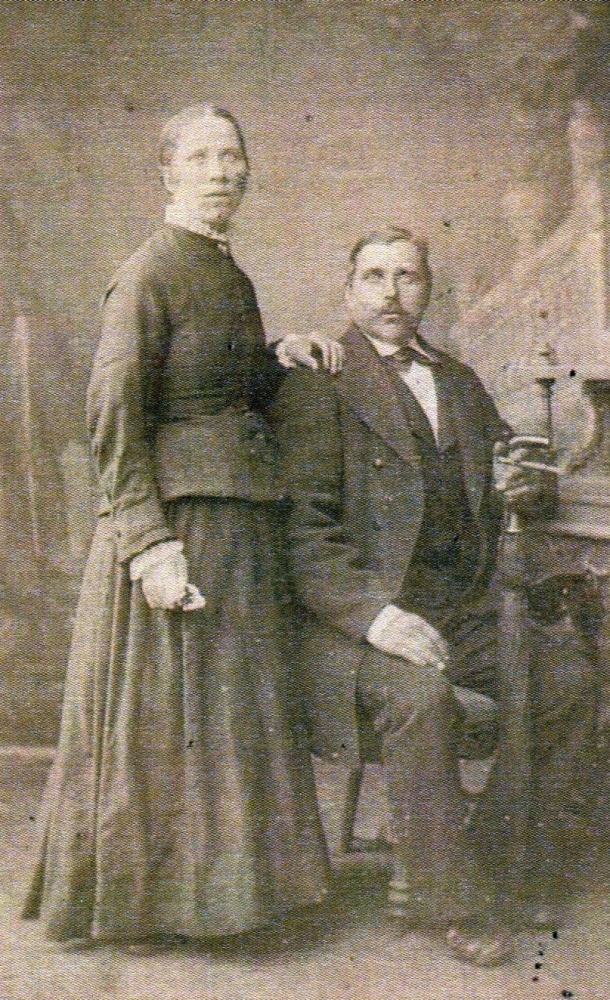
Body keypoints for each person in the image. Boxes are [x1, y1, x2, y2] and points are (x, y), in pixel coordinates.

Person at [23, 103, 338, 951]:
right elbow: (113, 412)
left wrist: (280, 357)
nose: (221, 171)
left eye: (231, 155)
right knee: (174, 718)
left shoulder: (227, 272)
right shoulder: (149, 271)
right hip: (182, 525)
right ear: (166, 172)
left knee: (228, 715)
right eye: (199, 157)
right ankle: (158, 904)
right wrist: (146, 543)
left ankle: (229, 899)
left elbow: (220, 394)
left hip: (240, 522)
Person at [273, 226, 598, 966]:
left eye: (408, 277)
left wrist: (525, 478)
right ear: (347, 290)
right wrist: (378, 618)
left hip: (453, 608)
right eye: (374, 277)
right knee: (421, 700)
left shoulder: (455, 379)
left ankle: (487, 859)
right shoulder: (316, 381)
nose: (391, 294)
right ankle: (449, 900)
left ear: (428, 290)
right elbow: (302, 536)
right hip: (347, 623)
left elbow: (515, 464)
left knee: (567, 683)